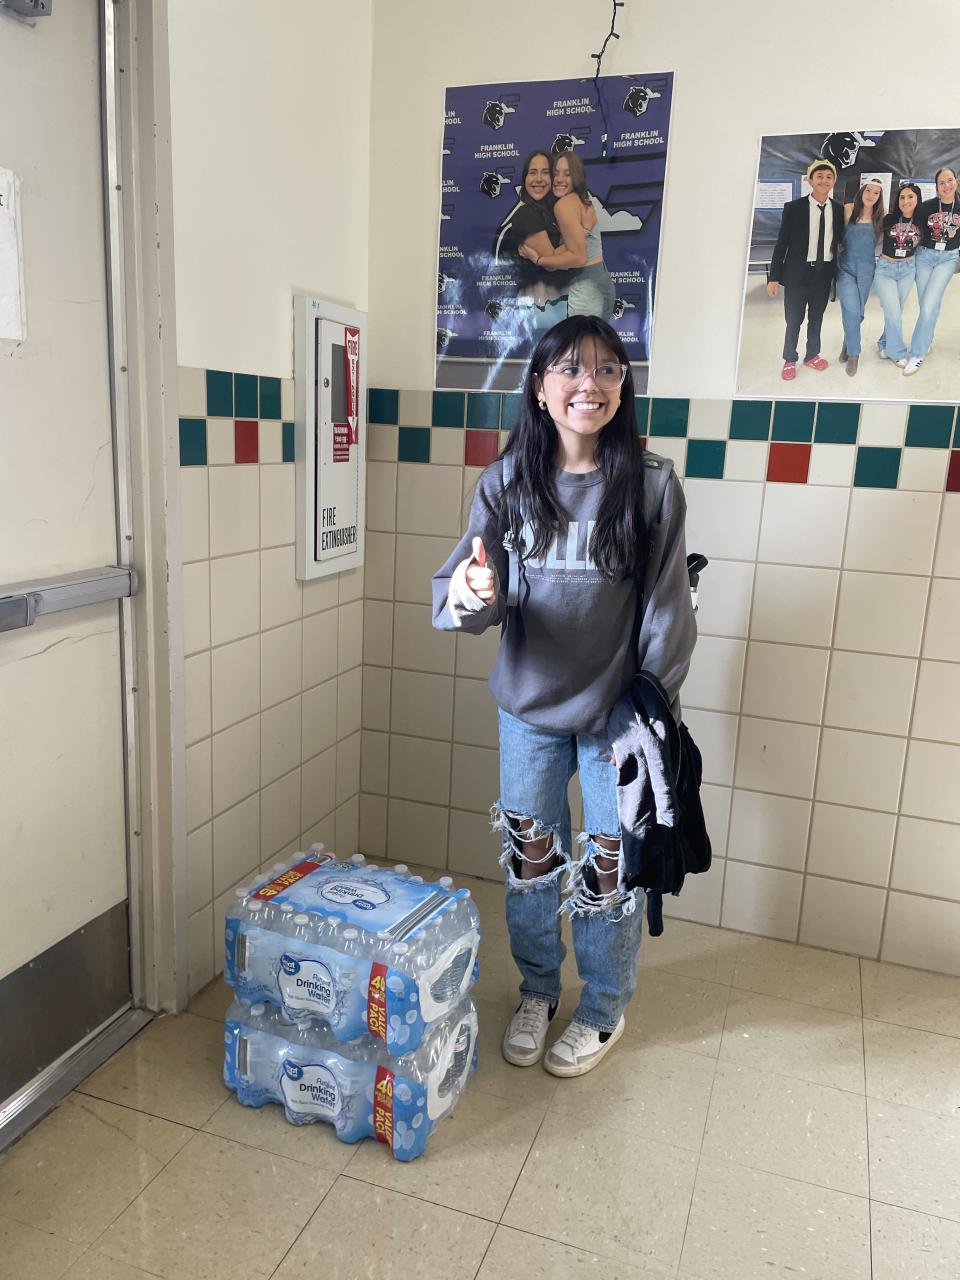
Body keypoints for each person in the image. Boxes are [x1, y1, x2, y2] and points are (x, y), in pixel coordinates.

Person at [431, 316, 696, 1078]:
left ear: (623, 387)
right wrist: (473, 593)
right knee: (532, 861)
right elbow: (465, 594)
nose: (591, 384)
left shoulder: (651, 485)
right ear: (540, 388)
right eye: (572, 369)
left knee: (611, 865)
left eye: (608, 369)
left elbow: (668, 609)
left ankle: (604, 1005)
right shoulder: (507, 484)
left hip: (618, 719)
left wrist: (650, 705)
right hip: (529, 711)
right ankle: (539, 990)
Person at [767, 159, 844, 381]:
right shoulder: (794, 208)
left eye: (829, 177)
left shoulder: (838, 210)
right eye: (819, 176)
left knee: (816, 318)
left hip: (823, 273)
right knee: (793, 319)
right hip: (797, 274)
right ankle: (789, 358)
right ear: (810, 180)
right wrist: (774, 277)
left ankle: (812, 355)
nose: (824, 180)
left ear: (834, 181)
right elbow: (781, 244)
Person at [517, 152, 616, 319]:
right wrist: (584, 232)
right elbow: (575, 248)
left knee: (582, 336)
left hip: (587, 287)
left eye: (567, 174)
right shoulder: (581, 200)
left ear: (576, 177)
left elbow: (578, 257)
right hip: (601, 281)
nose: (559, 179)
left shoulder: (563, 205)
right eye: (556, 173)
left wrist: (538, 259)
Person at [493, 151, 570, 309]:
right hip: (540, 304)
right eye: (533, 172)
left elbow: (577, 256)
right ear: (525, 178)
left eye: (545, 172)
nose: (538, 179)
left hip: (559, 302)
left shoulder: (556, 212)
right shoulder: (526, 214)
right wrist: (574, 251)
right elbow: (552, 262)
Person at [902, 166, 960, 376]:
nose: (946, 185)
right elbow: (911, 225)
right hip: (925, 257)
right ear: (936, 186)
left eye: (949, 180)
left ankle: (917, 353)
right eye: (941, 182)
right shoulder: (927, 207)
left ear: (956, 181)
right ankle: (927, 339)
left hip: (948, 259)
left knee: (928, 306)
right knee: (927, 303)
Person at [836, 180, 884, 377]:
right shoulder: (848, 209)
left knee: (858, 312)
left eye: (876, 193)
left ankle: (848, 343)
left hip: (866, 269)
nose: (871, 195)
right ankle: (854, 355)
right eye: (868, 190)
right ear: (862, 190)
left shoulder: (881, 217)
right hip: (845, 267)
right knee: (851, 309)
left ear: (880, 197)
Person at [874, 183, 924, 368]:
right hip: (885, 268)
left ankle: (883, 343)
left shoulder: (922, 221)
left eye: (910, 196)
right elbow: (874, 238)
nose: (906, 201)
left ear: (917, 199)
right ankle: (897, 352)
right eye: (902, 197)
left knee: (894, 311)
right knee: (893, 312)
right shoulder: (889, 218)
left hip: (908, 269)